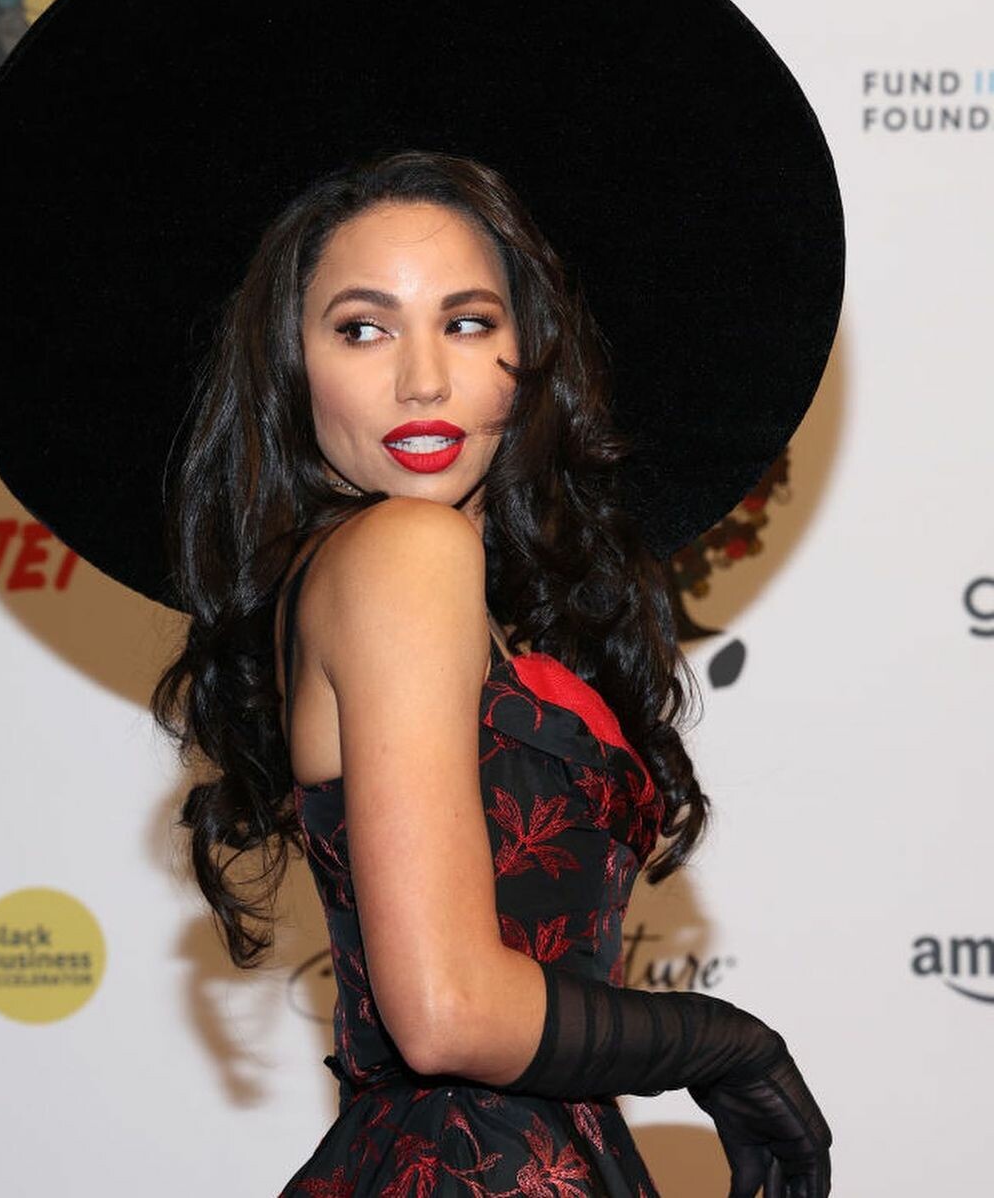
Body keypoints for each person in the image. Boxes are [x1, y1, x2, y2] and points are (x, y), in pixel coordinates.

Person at [150, 150, 832, 1196]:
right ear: (292, 369)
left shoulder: (418, 589)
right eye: (363, 329)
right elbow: (447, 1010)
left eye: (468, 322)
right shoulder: (404, 551)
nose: (422, 379)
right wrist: (725, 1044)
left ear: (531, 354)